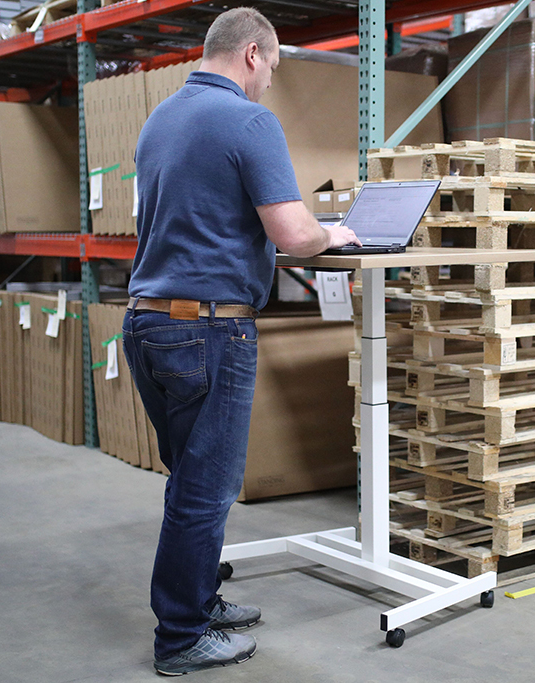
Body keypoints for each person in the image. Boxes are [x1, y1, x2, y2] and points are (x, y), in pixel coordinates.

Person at [121, 7, 360, 676]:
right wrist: (330, 234)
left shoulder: (159, 120)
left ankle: (198, 599)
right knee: (206, 488)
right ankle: (181, 636)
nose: (269, 85)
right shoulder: (249, 121)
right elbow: (290, 234)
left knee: (189, 480)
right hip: (208, 326)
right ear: (252, 55)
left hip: (147, 322)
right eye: (273, 70)